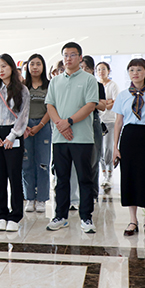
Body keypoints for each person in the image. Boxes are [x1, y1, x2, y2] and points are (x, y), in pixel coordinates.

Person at [45, 42, 99, 233]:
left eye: (72, 55)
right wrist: (60, 124)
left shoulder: (89, 79)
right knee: (61, 179)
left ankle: (86, 217)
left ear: (80, 58)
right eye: (65, 55)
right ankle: (60, 216)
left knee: (85, 178)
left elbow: (90, 105)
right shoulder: (55, 81)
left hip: (82, 138)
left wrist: (68, 121)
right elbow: (50, 105)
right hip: (60, 138)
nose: (68, 58)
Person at [112, 58, 145, 238]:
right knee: (129, 177)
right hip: (128, 138)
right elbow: (118, 122)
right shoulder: (123, 95)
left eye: (139, 70)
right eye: (132, 70)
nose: (135, 73)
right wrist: (115, 147)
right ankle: (132, 220)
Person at [0, 53, 30, 232]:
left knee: (14, 176)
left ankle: (16, 215)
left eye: (4, 66)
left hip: (14, 134)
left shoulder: (22, 90)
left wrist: (12, 136)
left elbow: (23, 116)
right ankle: (1, 215)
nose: (0, 70)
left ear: (11, 67)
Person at [22, 53, 51, 213]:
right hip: (24, 127)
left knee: (43, 164)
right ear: (27, 67)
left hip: (43, 126)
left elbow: (51, 107)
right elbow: (17, 108)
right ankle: (29, 198)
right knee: (26, 164)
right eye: (32, 64)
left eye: (38, 64)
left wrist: (39, 125)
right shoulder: (22, 86)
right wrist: (25, 125)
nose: (35, 67)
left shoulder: (49, 85)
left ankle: (41, 199)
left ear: (43, 66)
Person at [80, 55, 106, 200]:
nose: (84, 71)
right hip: (77, 121)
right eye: (81, 68)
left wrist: (90, 101)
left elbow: (103, 106)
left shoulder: (97, 85)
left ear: (92, 70)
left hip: (93, 120)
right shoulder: (75, 84)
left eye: (87, 68)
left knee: (94, 158)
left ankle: (92, 193)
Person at [96, 62, 120, 190]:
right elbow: (96, 103)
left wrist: (104, 104)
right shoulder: (96, 85)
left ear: (108, 71)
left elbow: (115, 103)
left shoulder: (113, 85)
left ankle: (110, 175)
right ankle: (104, 174)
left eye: (103, 69)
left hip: (110, 121)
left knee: (108, 149)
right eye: (99, 69)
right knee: (99, 150)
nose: (101, 72)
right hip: (99, 121)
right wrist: (107, 102)